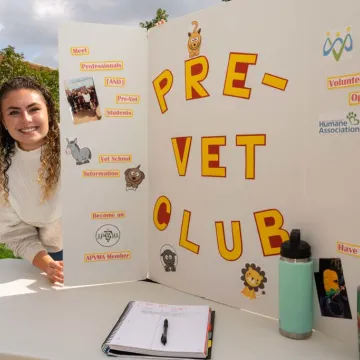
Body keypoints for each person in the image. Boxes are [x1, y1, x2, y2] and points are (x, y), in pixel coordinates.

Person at [0, 76, 63, 284]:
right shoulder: (3, 170)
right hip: (51, 257)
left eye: (34, 109)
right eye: (14, 112)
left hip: (108, 249)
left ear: (49, 112)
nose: (26, 119)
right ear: (3, 120)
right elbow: (14, 233)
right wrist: (48, 265)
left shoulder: (81, 146)